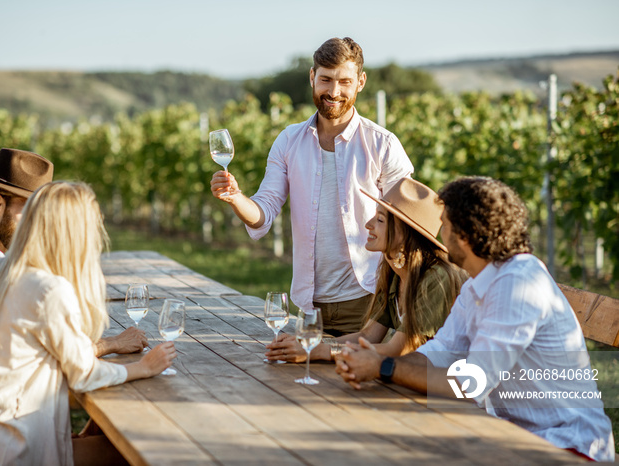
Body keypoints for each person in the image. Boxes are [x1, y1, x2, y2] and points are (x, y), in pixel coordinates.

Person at [336, 176, 615, 462]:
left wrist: (384, 366)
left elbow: (472, 384)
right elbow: (436, 354)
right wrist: (374, 361)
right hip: (513, 437)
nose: (439, 232)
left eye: (444, 224)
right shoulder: (476, 286)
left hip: (566, 445)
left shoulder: (518, 284)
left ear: (465, 235)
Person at [0, 181, 177, 465]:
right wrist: (143, 368)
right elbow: (83, 375)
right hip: (4, 450)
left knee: (96, 435)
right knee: (129, 452)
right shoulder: (48, 289)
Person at [211, 37, 414, 336]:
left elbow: (407, 222)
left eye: (345, 81)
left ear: (361, 82)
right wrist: (236, 197)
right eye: (326, 80)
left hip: (370, 302)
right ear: (312, 77)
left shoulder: (382, 144)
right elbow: (263, 213)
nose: (334, 92)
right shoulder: (288, 141)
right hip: (309, 308)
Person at [265, 178, 466, 363]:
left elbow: (399, 349)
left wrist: (321, 352)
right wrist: (312, 345)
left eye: (380, 220)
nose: (368, 225)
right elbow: (368, 336)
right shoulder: (394, 272)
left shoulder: (436, 278)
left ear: (404, 233)